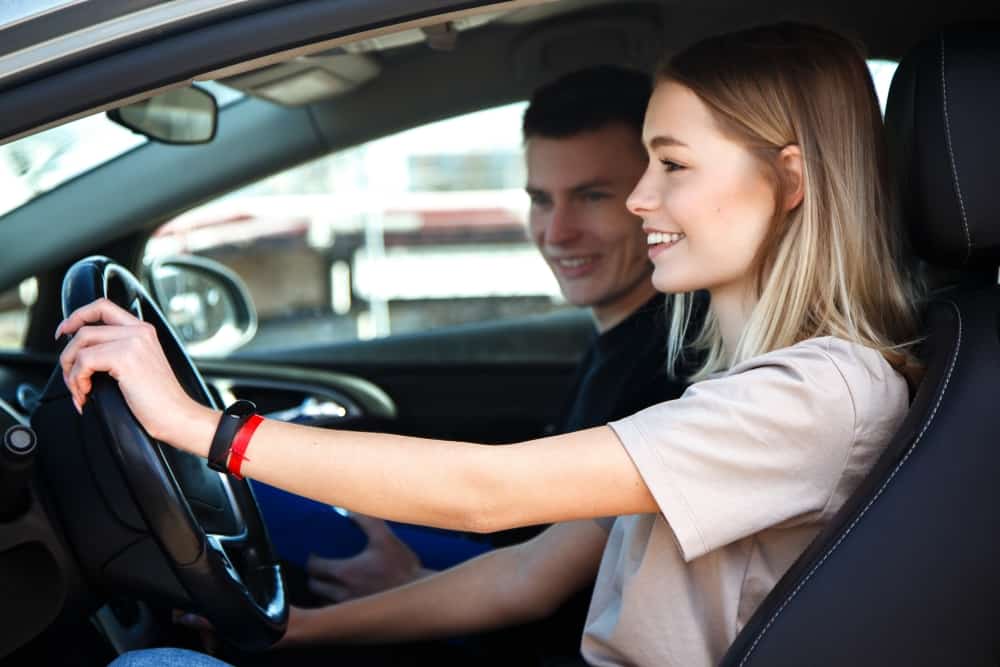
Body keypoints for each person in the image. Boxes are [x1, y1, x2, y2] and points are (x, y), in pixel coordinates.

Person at [71, 21, 920, 667]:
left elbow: (489, 494)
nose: (636, 200)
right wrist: (302, 630)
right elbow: (525, 568)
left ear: (792, 179)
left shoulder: (815, 395)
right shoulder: (751, 385)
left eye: (671, 166)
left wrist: (202, 429)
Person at [265, 66, 699, 613]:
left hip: (527, 617)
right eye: (541, 200)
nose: (557, 232)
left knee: (263, 497)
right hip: (505, 563)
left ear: (652, 197)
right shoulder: (623, 340)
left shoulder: (668, 366)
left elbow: (554, 588)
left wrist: (413, 580)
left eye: (592, 197)